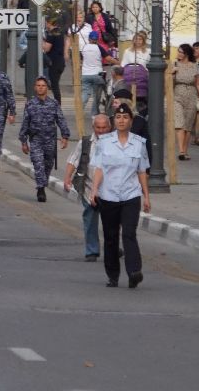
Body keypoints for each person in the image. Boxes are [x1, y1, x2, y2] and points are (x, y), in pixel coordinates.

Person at [90, 102, 152, 288]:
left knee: (129, 233)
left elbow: (142, 171)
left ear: (131, 121)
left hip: (130, 195)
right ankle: (113, 275)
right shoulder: (104, 142)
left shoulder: (139, 143)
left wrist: (146, 196)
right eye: (118, 117)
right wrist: (94, 190)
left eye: (125, 117)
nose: (121, 120)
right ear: (113, 120)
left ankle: (134, 271)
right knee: (110, 237)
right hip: (108, 195)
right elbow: (99, 168)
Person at [63, 113, 111, 263]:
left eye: (104, 128)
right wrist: (67, 178)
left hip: (110, 190)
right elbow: (73, 160)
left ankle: (113, 247)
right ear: (93, 127)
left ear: (109, 127)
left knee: (111, 221)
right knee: (89, 218)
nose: (101, 131)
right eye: (98, 127)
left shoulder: (115, 142)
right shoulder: (85, 142)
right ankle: (92, 250)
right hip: (89, 187)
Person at [19, 76, 69, 202]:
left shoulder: (53, 104)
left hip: (50, 141)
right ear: (35, 87)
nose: (41, 88)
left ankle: (43, 183)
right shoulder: (30, 104)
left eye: (43, 86)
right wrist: (24, 141)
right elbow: (25, 123)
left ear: (47, 88)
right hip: (36, 139)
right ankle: (41, 189)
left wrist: (65, 135)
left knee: (47, 165)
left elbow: (60, 119)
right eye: (38, 85)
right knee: (38, 164)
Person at [171, 43, 199, 161]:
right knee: (179, 123)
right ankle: (181, 150)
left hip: (191, 95)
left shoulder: (194, 66)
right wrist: (172, 73)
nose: (178, 54)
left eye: (181, 52)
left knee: (188, 126)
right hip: (178, 95)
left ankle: (185, 151)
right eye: (178, 51)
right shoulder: (174, 64)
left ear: (186, 54)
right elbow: (169, 83)